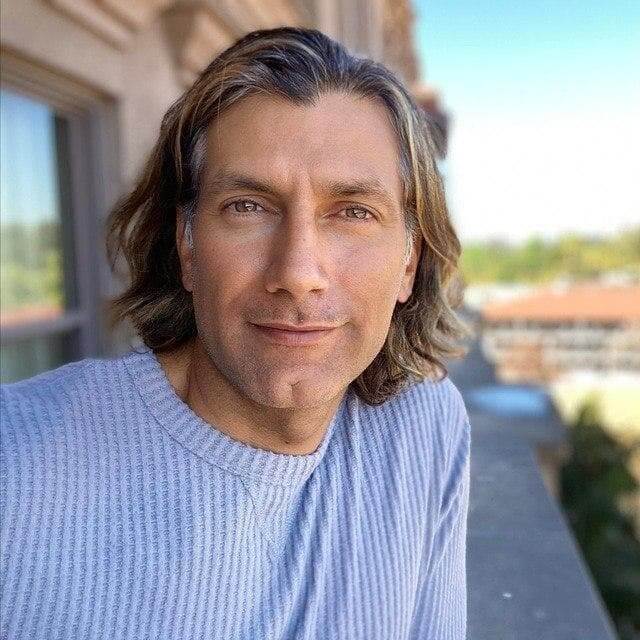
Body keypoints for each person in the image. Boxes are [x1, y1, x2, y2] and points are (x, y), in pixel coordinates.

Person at [0, 27, 472, 640]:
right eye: (248, 206)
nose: (297, 274)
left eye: (354, 212)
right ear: (187, 244)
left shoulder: (427, 428)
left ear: (409, 261)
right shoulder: (17, 471)